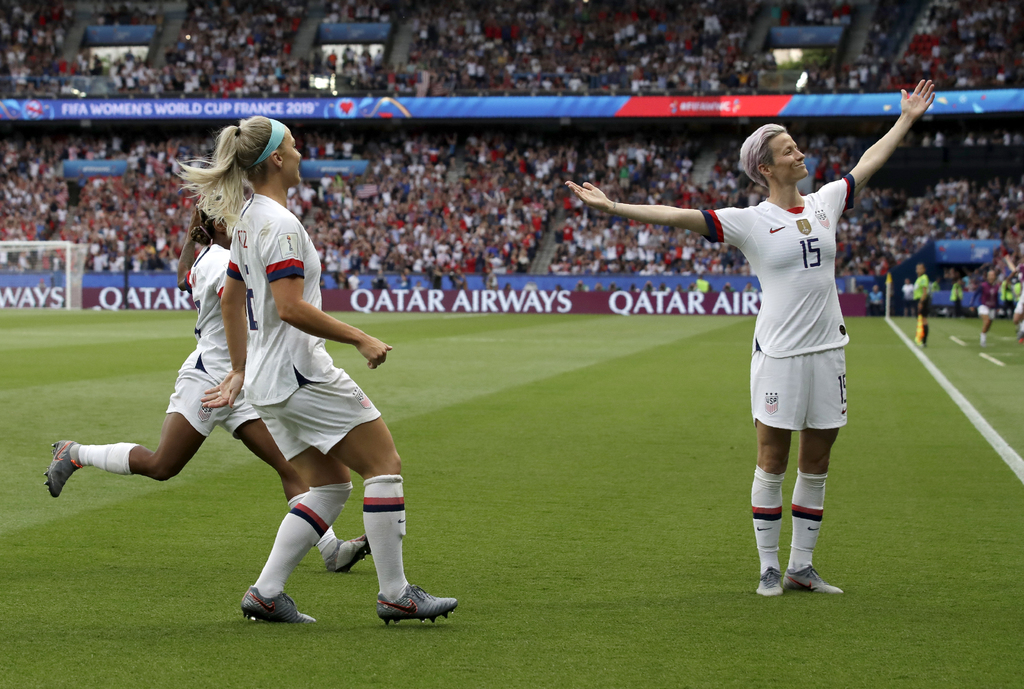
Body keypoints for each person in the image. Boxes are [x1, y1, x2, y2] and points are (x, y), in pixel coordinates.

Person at [566, 80, 935, 597]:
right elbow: (677, 216)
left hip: (829, 350)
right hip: (778, 355)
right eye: (789, 150)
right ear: (766, 167)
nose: (799, 153)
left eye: (796, 146)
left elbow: (868, 163)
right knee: (772, 458)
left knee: (819, 461)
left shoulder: (826, 201)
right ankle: (767, 565)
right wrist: (613, 208)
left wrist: (906, 120)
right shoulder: (748, 222)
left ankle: (801, 566)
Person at [180, 116, 457, 625]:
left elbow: (232, 298)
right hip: (300, 373)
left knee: (330, 486)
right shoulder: (280, 225)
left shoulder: (246, 220)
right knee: (384, 463)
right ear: (278, 160)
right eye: (294, 145)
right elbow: (287, 307)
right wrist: (359, 336)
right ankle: (395, 593)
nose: (302, 152)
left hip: (267, 382)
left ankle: (266, 592)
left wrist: (240, 369)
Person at [45, 207, 370, 575]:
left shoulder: (215, 256)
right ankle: (75, 453)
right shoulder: (220, 261)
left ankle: (330, 550)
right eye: (234, 216)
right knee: (162, 465)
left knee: (288, 465)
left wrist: (190, 238)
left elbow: (183, 278)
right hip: (210, 378)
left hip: (241, 382)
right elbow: (234, 301)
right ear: (217, 225)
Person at [978, 269, 1000, 347]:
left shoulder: (997, 286)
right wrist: (972, 304)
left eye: (993, 275)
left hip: (992, 307)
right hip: (983, 306)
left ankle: (983, 334)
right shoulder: (983, 285)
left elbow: (996, 297)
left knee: (989, 324)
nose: (991, 277)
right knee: (986, 321)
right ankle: (982, 340)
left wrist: (997, 306)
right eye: (990, 275)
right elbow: (976, 294)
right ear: (987, 277)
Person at [913, 263, 930, 347]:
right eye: (917, 268)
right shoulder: (919, 279)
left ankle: (924, 341)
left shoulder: (924, 278)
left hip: (922, 301)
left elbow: (924, 292)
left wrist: (921, 302)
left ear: (924, 269)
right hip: (919, 300)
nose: (918, 270)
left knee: (923, 320)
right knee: (920, 321)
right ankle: (920, 339)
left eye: (920, 268)